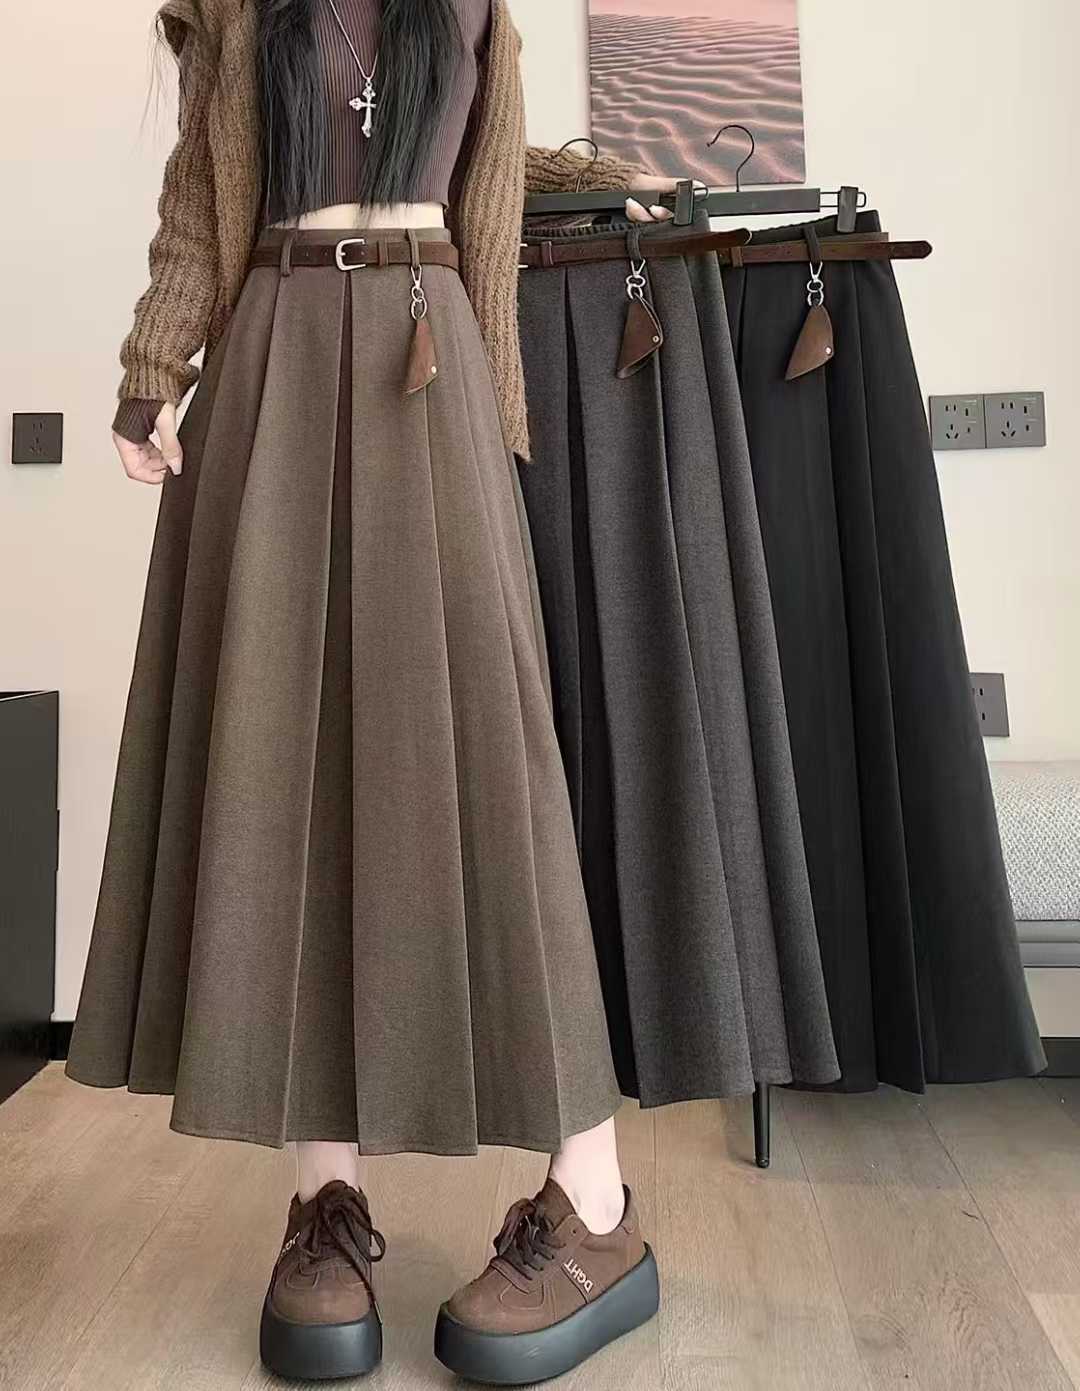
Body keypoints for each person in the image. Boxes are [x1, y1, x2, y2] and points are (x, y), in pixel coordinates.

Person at [64, 0, 675, 1381]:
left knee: (493, 777)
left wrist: (507, 396)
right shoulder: (239, 9)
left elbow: (492, 185)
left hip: (429, 356)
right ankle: (325, 1203)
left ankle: (595, 1207)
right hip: (271, 359)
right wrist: (152, 371)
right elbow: (199, 199)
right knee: (287, 770)